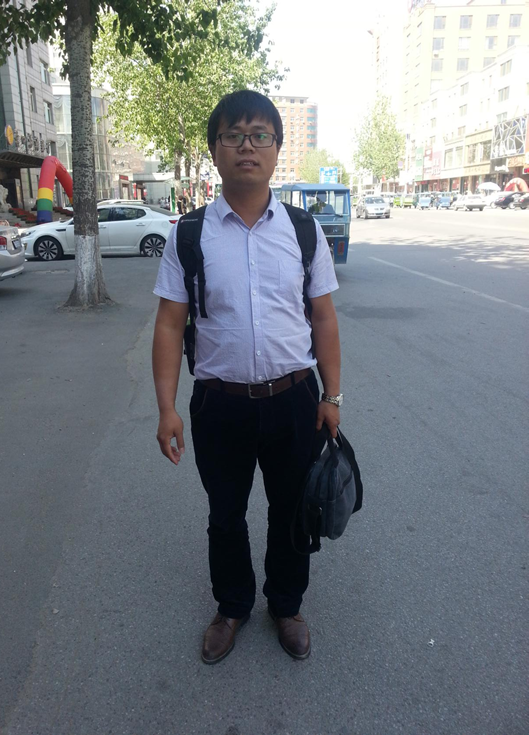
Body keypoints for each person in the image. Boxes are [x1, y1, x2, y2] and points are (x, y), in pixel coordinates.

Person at [152, 90, 342, 664]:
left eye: (260, 135)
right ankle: (232, 605)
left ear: (277, 148)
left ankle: (286, 605)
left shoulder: (303, 231)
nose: (247, 146)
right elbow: (170, 324)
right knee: (225, 515)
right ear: (215, 150)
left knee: (291, 510)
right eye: (233, 135)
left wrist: (332, 395)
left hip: (294, 400)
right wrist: (167, 408)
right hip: (220, 405)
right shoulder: (190, 235)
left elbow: (324, 317)